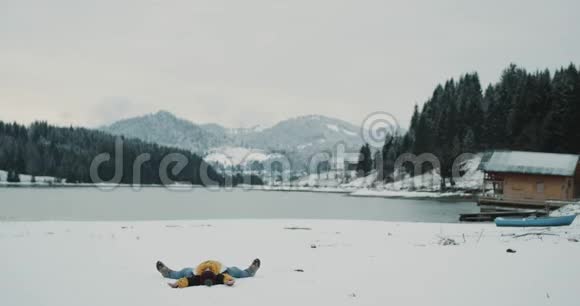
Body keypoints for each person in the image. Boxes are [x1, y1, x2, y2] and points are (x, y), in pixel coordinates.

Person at [156, 259, 261, 288]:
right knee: (235, 271)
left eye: (207, 272)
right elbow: (225, 277)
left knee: (183, 272)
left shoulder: (196, 277)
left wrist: (177, 284)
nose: (207, 271)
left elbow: (188, 281)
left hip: (196, 270)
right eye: (208, 272)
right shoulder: (219, 276)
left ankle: (167, 273)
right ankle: (250, 271)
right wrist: (230, 281)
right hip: (221, 268)